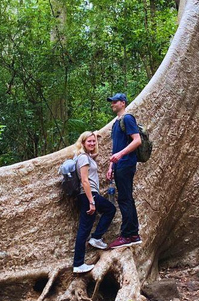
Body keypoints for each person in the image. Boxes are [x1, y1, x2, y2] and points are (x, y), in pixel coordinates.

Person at [72, 131, 116, 274]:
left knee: (85, 228)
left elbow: (94, 156)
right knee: (109, 210)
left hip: (87, 195)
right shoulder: (83, 158)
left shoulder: (85, 156)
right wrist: (92, 201)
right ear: (83, 143)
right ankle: (79, 262)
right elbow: (85, 181)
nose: (92, 143)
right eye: (89, 141)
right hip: (88, 195)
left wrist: (96, 136)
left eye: (93, 141)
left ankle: (95, 239)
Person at [106, 93, 143, 249]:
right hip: (119, 165)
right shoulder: (117, 123)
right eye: (111, 102)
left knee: (124, 199)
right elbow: (116, 147)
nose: (112, 104)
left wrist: (120, 155)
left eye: (115, 101)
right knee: (126, 198)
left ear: (123, 103)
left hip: (126, 163)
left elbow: (137, 140)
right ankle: (133, 233)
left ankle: (127, 235)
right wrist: (111, 167)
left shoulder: (128, 118)